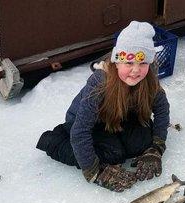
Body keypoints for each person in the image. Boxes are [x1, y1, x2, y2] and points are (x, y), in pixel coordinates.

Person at [36, 21, 170, 192]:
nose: (136, 70)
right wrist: (95, 171)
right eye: (129, 63)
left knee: (142, 143)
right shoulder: (99, 82)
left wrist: (156, 147)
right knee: (112, 155)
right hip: (86, 125)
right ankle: (55, 140)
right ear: (116, 62)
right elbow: (80, 132)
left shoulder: (149, 79)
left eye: (142, 63)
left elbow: (161, 109)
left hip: (119, 118)